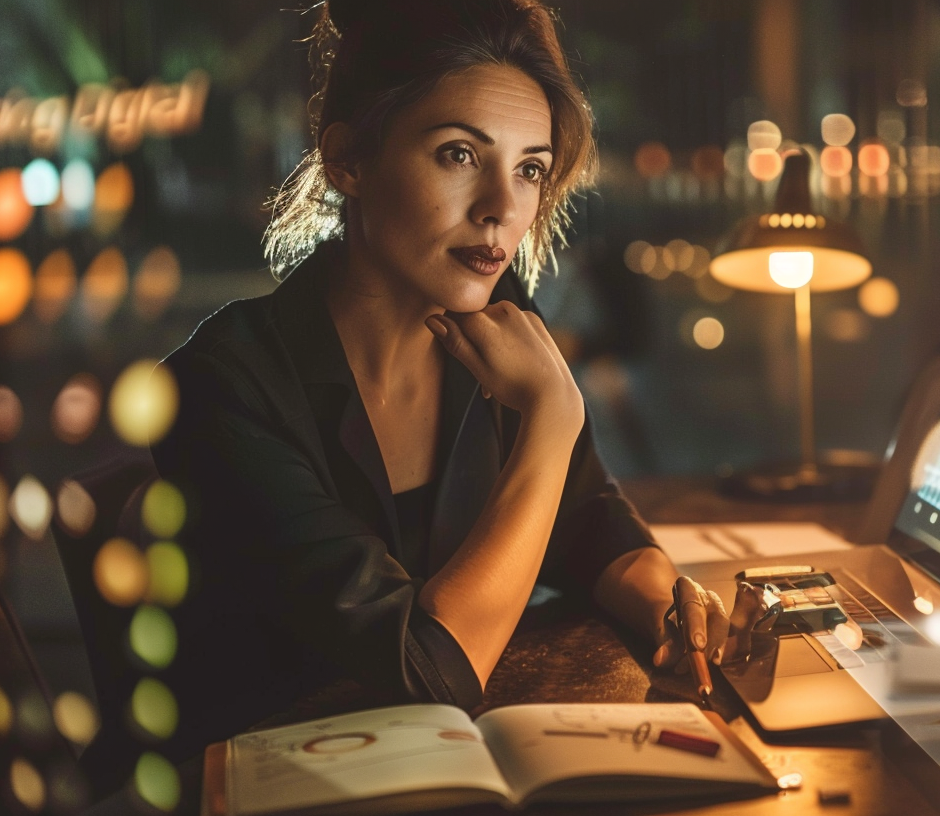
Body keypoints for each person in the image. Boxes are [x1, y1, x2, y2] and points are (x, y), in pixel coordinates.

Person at [145, 0, 747, 772]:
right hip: (279, 776)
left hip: (432, 769)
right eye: (459, 155)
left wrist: (670, 606)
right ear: (349, 161)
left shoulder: (495, 325)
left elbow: (588, 519)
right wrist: (553, 416)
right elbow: (429, 670)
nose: (503, 208)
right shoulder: (223, 387)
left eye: (529, 168)